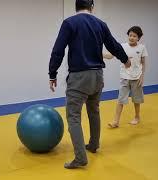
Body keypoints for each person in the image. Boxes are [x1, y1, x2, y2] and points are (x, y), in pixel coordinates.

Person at [48, 0, 131, 169]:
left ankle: (80, 158)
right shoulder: (100, 24)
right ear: (91, 7)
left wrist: (52, 73)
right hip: (97, 76)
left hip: (79, 77)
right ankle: (93, 144)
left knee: (73, 117)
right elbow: (113, 45)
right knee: (94, 111)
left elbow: (58, 50)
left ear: (76, 6)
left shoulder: (69, 22)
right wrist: (125, 59)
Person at [104, 26, 148, 128]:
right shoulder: (122, 46)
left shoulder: (142, 48)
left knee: (136, 100)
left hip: (136, 78)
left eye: (134, 36)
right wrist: (99, 53)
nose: (132, 37)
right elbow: (110, 56)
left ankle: (137, 117)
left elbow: (143, 63)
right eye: (130, 35)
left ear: (138, 38)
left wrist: (142, 76)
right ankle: (116, 121)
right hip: (124, 77)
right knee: (120, 100)